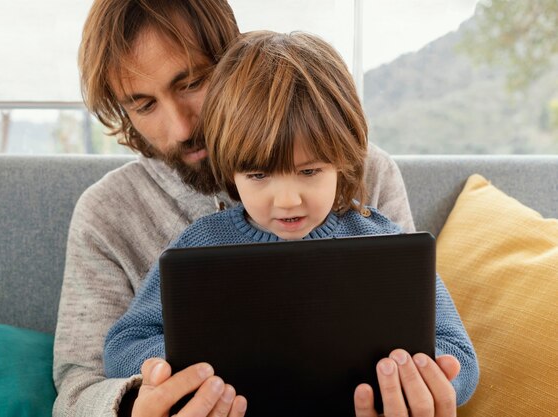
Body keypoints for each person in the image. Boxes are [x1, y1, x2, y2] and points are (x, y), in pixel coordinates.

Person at [53, 1, 431, 416]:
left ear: (233, 59)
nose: (181, 127)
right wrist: (146, 399)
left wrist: (419, 388)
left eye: (193, 82)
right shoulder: (107, 214)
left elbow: (420, 333)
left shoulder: (361, 171)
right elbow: (77, 386)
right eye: (144, 105)